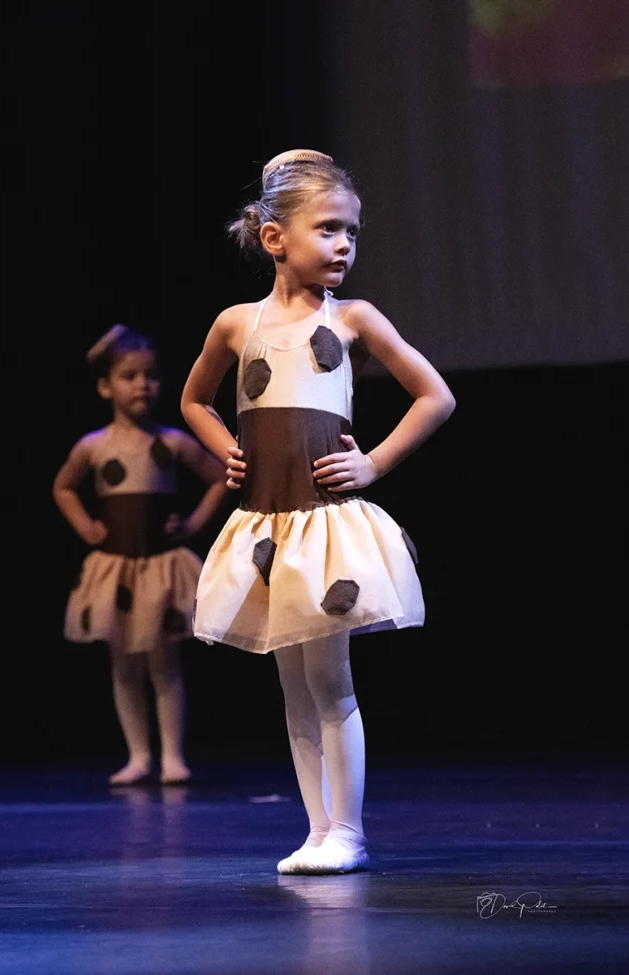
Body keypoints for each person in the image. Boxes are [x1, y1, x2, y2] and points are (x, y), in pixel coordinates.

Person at [180, 148, 456, 873]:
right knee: (292, 681)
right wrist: (223, 450)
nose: (344, 245)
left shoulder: (356, 317)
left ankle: (350, 831)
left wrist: (374, 462)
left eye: (353, 233)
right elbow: (193, 400)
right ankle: (316, 828)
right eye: (329, 229)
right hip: (267, 526)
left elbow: (436, 395)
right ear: (276, 238)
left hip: (324, 524)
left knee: (330, 679)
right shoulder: (237, 325)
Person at [53, 324, 230, 786]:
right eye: (129, 375)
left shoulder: (170, 442)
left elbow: (219, 477)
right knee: (124, 664)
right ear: (105, 386)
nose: (142, 384)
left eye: (150, 375)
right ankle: (138, 755)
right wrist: (85, 526)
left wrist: (192, 524)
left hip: (160, 566)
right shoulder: (93, 446)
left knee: (163, 663)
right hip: (116, 568)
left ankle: (172, 756)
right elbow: (63, 487)